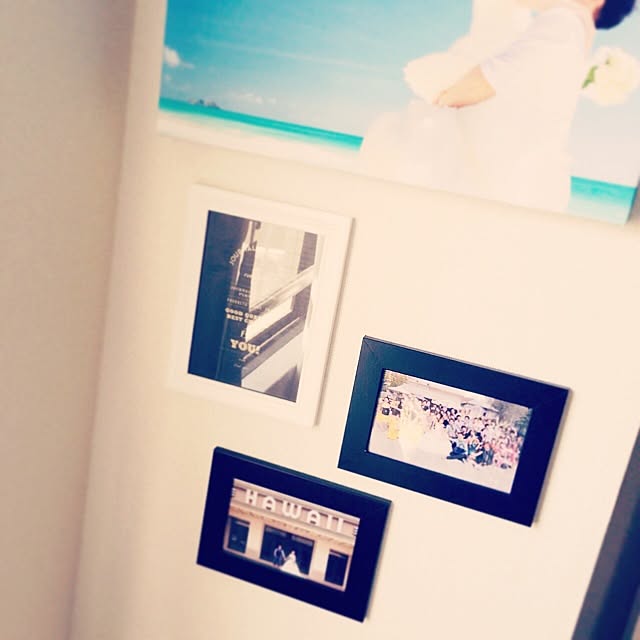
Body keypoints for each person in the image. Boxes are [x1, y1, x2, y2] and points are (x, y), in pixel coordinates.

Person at [359, 0, 637, 212]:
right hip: (512, 172)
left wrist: (441, 100)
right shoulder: (576, 35)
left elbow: (494, 76)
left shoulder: (564, 23)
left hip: (478, 153)